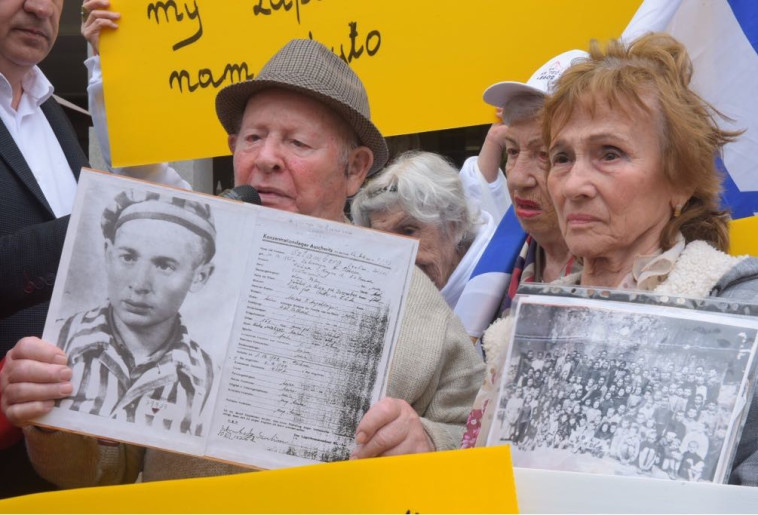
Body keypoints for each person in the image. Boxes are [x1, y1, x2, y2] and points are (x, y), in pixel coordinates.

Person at [1, 36, 485, 487]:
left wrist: (426, 442)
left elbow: (477, 443)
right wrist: (52, 419)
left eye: (297, 143)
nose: (267, 158)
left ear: (355, 168)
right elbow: (105, 471)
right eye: (252, 138)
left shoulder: (415, 300)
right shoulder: (172, 276)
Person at [465, 33, 758, 486]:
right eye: (562, 157)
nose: (574, 184)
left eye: (610, 154)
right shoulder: (516, 331)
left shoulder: (740, 314)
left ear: (680, 181)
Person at [56, 192, 216, 433]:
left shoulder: (209, 379)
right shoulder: (56, 340)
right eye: (128, 257)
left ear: (199, 276)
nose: (140, 284)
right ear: (109, 254)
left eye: (164, 265)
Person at [351, 150, 497, 319]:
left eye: (408, 231)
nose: (396, 253)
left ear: (454, 224)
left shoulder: (501, 283)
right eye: (383, 239)